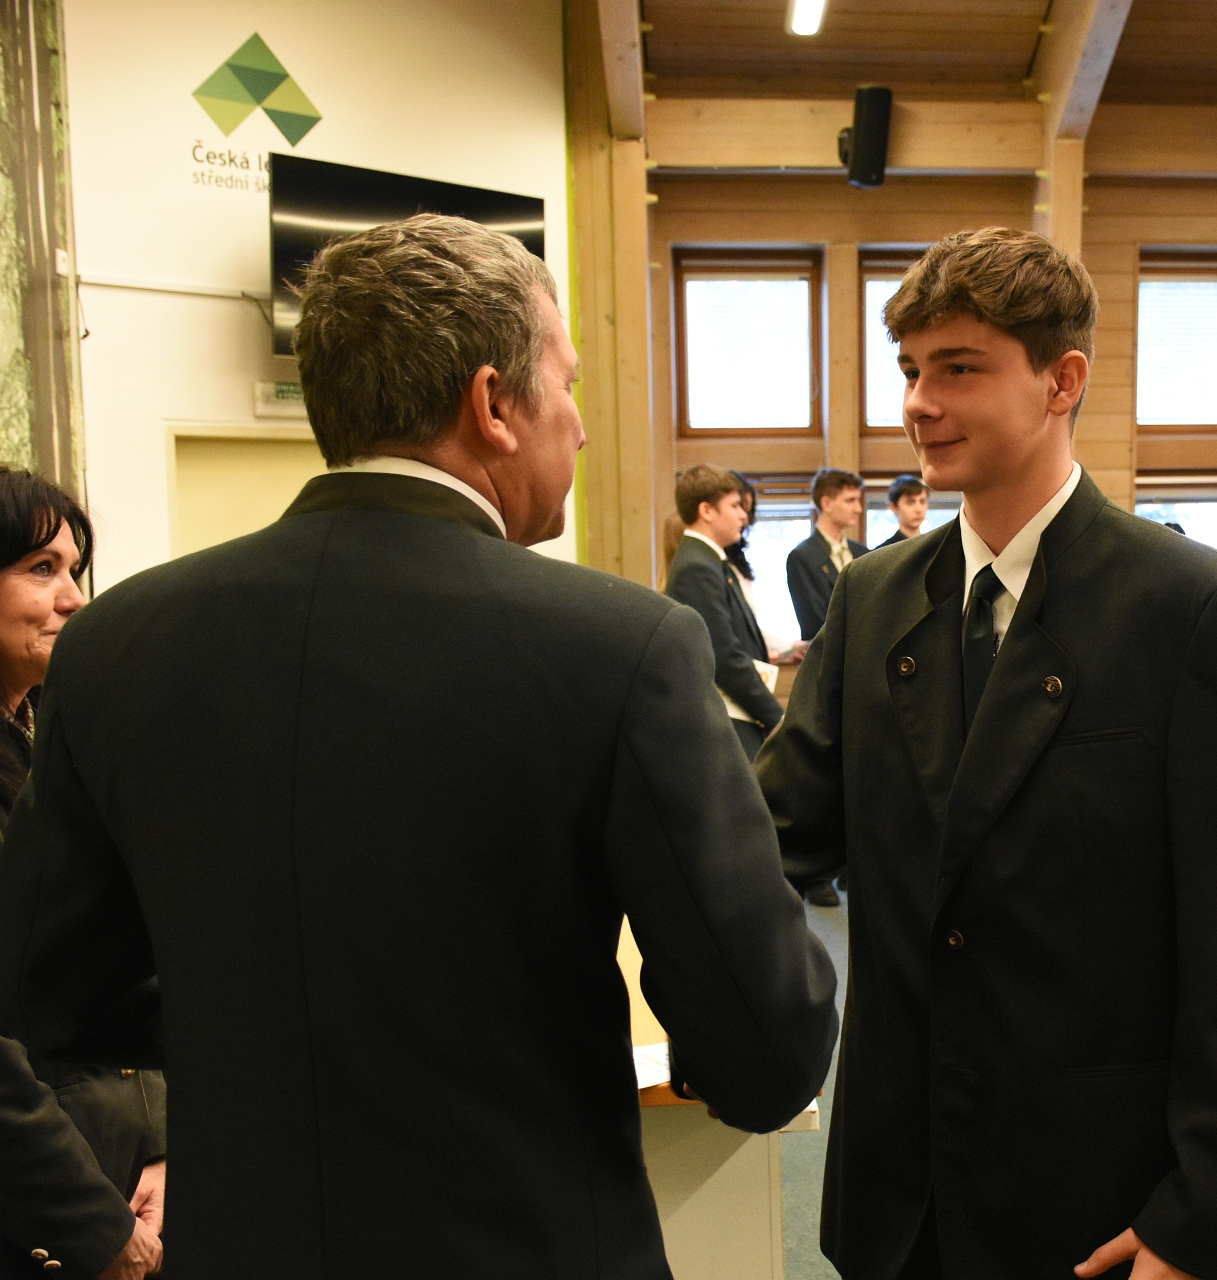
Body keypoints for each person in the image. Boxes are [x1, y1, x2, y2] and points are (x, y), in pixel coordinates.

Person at [0, 215, 840, 1278]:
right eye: (567, 384)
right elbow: (766, 1051)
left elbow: (48, 995)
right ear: (493, 404)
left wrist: (246, 1015)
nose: (581, 427)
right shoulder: (621, 648)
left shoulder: (119, 645)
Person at [756, 227, 1217, 1280]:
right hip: (897, 1188)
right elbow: (772, 832)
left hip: (1094, 1197)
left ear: (1063, 381)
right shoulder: (873, 597)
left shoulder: (1197, 609)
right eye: (911, 370)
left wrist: (1206, 1214)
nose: (920, 403)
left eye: (959, 368)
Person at [0, 472, 165, 1280]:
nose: (72, 599)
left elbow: (124, 979)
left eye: (75, 570)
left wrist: (160, 1142)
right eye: (41, 569)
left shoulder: (45, 745)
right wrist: (92, 1224)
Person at [665, 465, 783, 760]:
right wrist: (773, 715)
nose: (744, 516)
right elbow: (723, 654)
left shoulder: (709, 561)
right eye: (734, 506)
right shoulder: (697, 567)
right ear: (707, 511)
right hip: (726, 716)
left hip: (736, 713)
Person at [787, 467, 868, 641]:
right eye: (850, 500)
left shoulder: (863, 553)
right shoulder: (802, 557)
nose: (858, 508)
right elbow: (813, 623)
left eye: (858, 500)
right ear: (826, 504)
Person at [879, 474, 930, 547]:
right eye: (910, 503)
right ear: (893, 507)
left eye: (922, 501)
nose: (919, 509)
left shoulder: (935, 546)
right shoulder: (885, 550)